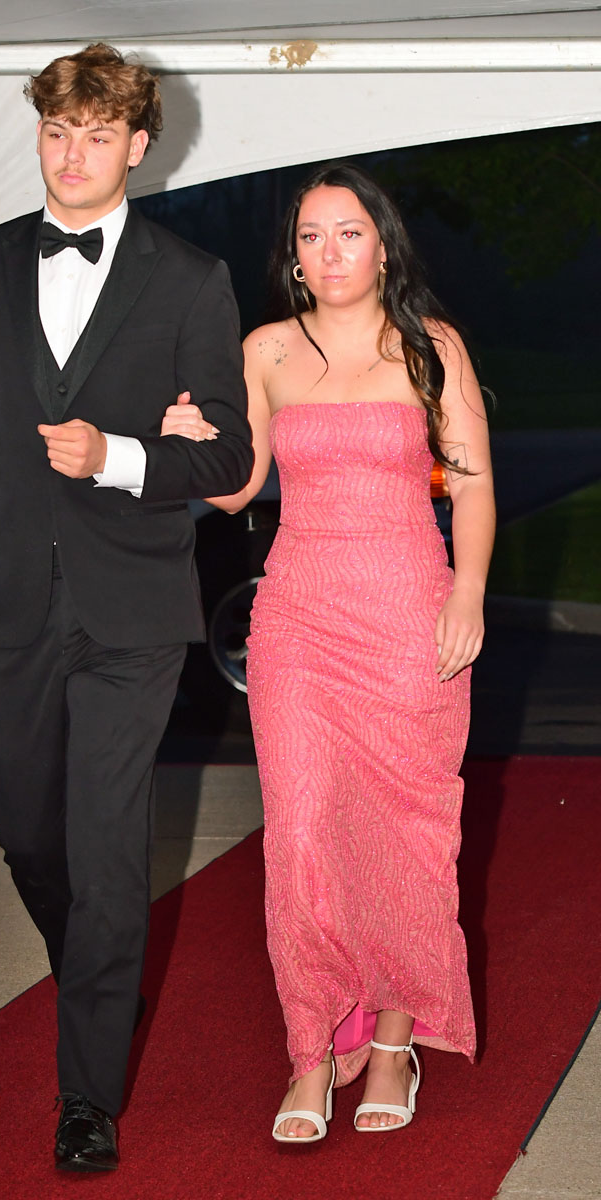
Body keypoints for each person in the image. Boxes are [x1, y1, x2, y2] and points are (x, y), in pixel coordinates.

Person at [0, 43, 252, 1173]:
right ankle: (100, 968)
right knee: (30, 831)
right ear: (38, 136)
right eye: (57, 132)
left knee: (105, 843)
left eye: (97, 136)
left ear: (138, 146)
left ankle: (85, 1093)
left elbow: (226, 454)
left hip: (132, 604)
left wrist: (121, 454)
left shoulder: (191, 279)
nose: (73, 155)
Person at [161, 162, 494, 1140]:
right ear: (292, 258)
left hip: (407, 615)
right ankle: (311, 1053)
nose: (327, 252)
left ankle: (390, 1044)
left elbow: (469, 485)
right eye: (308, 237)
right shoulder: (265, 351)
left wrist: (467, 592)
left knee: (403, 841)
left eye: (345, 233)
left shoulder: (431, 347)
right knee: (302, 841)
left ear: (381, 245)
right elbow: (235, 489)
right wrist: (190, 446)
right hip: (299, 625)